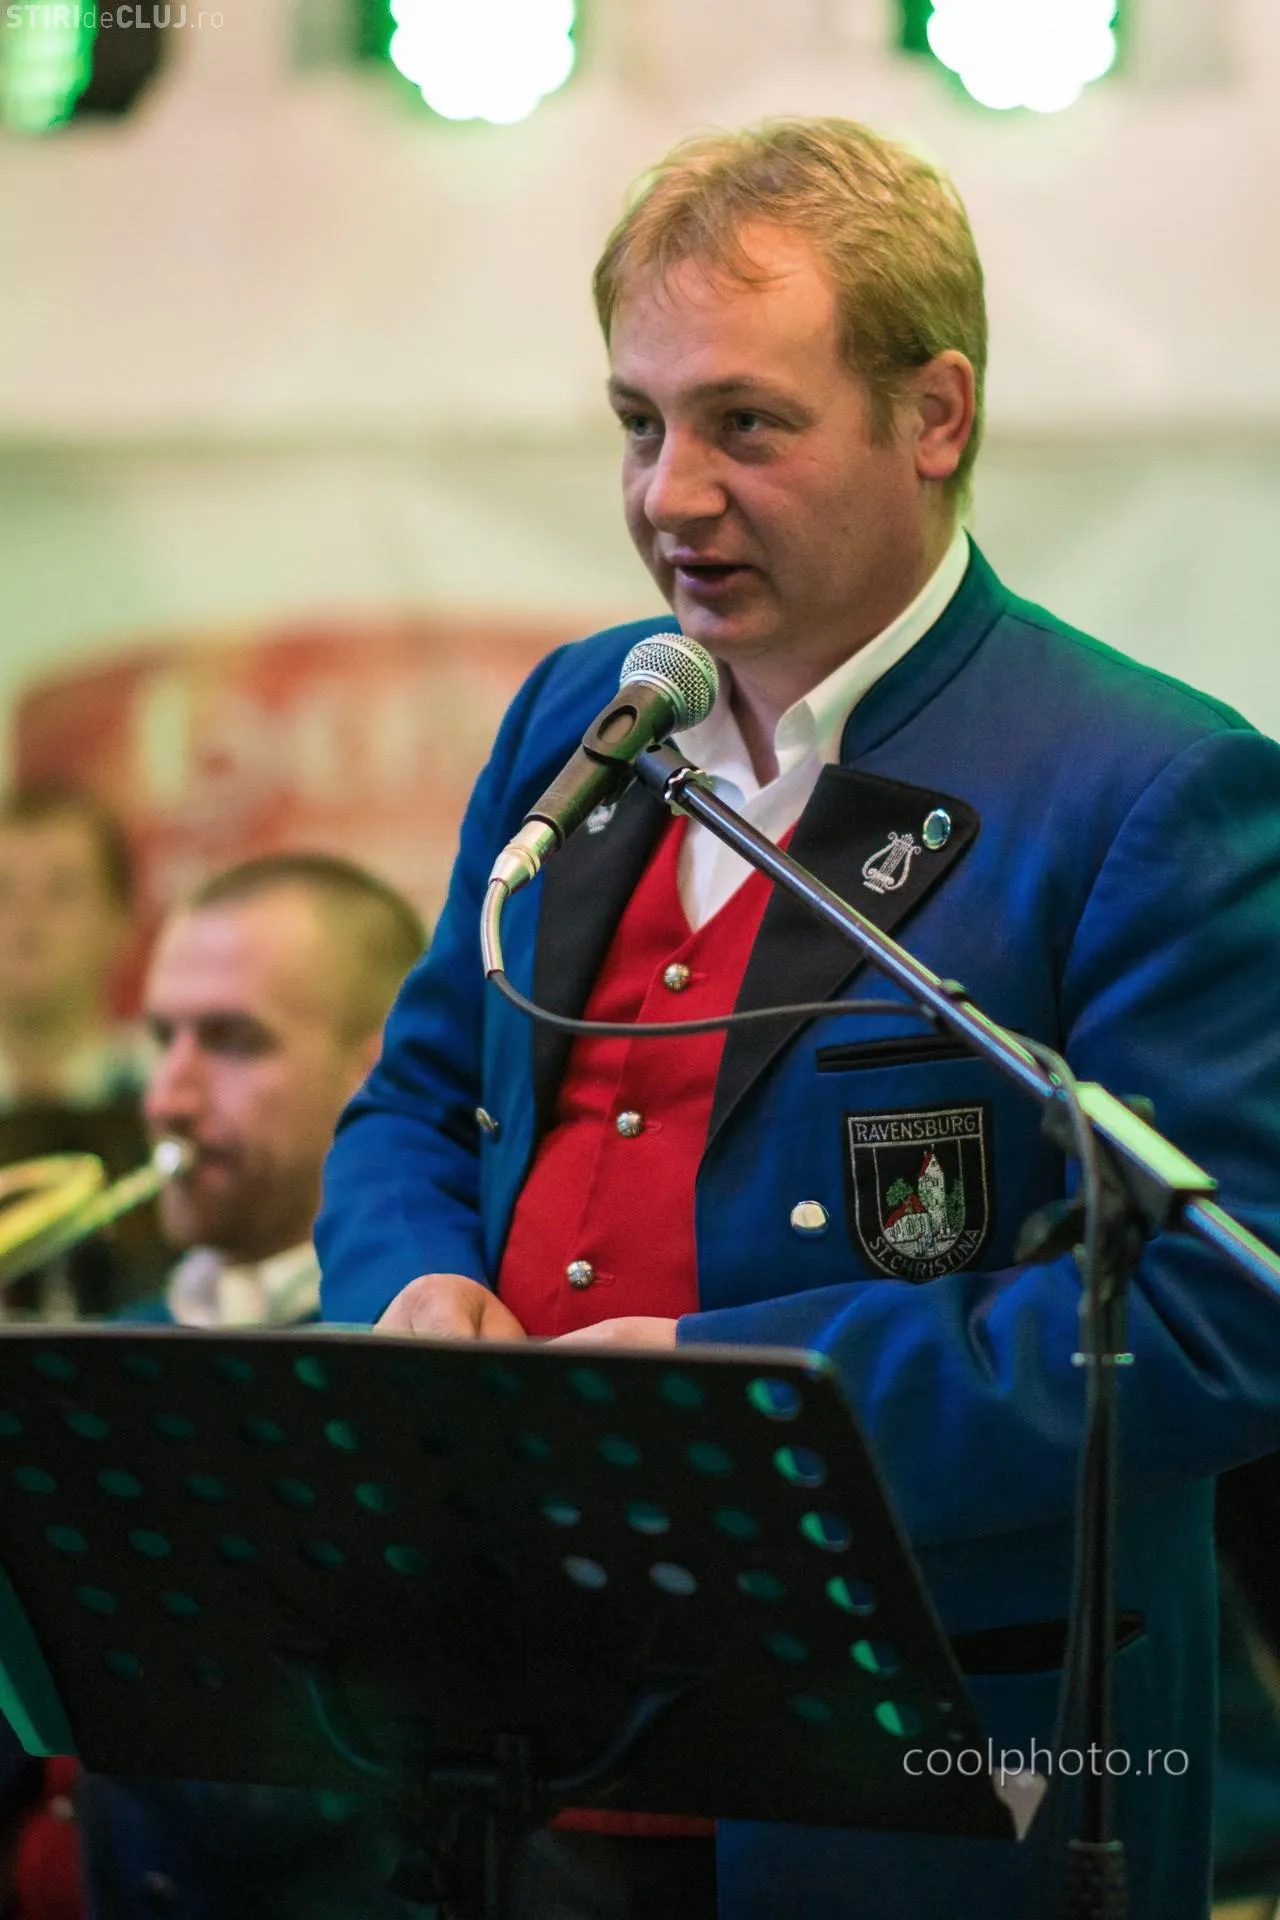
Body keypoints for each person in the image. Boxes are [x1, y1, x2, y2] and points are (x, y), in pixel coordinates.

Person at [315, 117, 1280, 1920]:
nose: (670, 497)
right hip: (519, 1735)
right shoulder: (581, 714)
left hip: (911, 1764)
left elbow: (1228, 1307)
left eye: (746, 425)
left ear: (936, 415)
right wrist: (407, 1289)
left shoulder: (1144, 785)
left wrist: (743, 1412)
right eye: (638, 422)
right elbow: (416, 1104)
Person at [68, 851, 427, 1920]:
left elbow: (291, 1794)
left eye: (230, 1042)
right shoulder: (106, 1351)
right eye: (160, 1040)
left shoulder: (419, 1370)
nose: (167, 1099)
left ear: (379, 1071)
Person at [0, 785, 161, 1319]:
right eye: (3, 891)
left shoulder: (174, 1107)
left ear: (123, 921)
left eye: (61, 892)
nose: (26, 922)